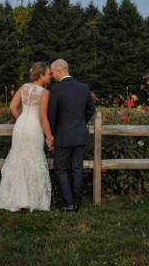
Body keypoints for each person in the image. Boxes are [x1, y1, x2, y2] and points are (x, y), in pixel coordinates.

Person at [0, 62, 54, 212]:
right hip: (34, 128)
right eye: (48, 74)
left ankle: (15, 198)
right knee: (33, 157)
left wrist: (21, 117)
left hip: (20, 127)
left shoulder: (23, 87)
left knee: (18, 158)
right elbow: (43, 118)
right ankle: (32, 199)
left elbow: (12, 106)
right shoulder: (44, 92)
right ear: (41, 75)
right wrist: (50, 136)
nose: (50, 76)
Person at [48, 59, 96, 211]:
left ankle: (67, 204)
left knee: (61, 169)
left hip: (63, 136)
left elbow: (52, 115)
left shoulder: (56, 90)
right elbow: (91, 109)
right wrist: (81, 123)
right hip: (80, 135)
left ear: (60, 71)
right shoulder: (83, 87)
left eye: (53, 72)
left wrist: (52, 134)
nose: (52, 75)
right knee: (77, 169)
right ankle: (76, 203)